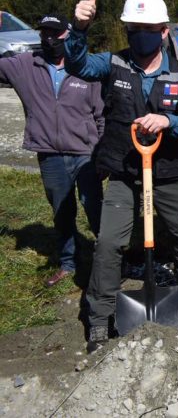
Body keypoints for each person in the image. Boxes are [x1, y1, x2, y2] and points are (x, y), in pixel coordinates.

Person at [67, 0, 178, 352]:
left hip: (172, 171)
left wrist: (167, 120)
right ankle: (99, 317)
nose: (140, 34)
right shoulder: (113, 64)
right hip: (126, 172)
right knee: (109, 243)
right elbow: (77, 65)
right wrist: (79, 29)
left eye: (149, 28)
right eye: (133, 28)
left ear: (164, 31)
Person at [0, 16, 103, 287]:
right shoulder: (24, 65)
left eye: (55, 33)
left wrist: (102, 151)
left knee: (94, 208)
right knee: (61, 211)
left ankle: (108, 259)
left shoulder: (85, 67)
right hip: (49, 154)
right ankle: (69, 262)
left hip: (86, 153)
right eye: (44, 32)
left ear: (68, 35)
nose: (49, 38)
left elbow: (101, 114)